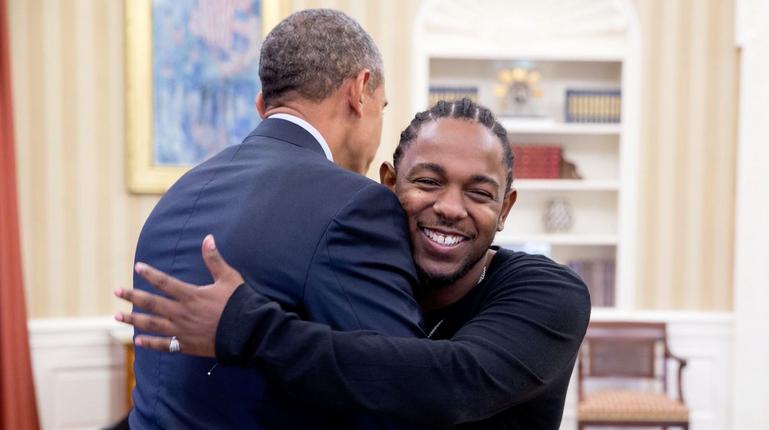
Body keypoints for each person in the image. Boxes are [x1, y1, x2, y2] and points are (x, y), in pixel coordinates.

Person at [118, 98, 592, 429]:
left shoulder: (550, 293)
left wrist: (247, 327)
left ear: (504, 210)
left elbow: (450, 384)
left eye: (479, 193)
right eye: (428, 181)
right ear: (387, 183)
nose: (450, 207)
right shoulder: (362, 280)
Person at [127, 9, 428, 429]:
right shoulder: (356, 204)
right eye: (383, 107)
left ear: (262, 106)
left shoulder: (180, 192)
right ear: (360, 92)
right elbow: (403, 392)